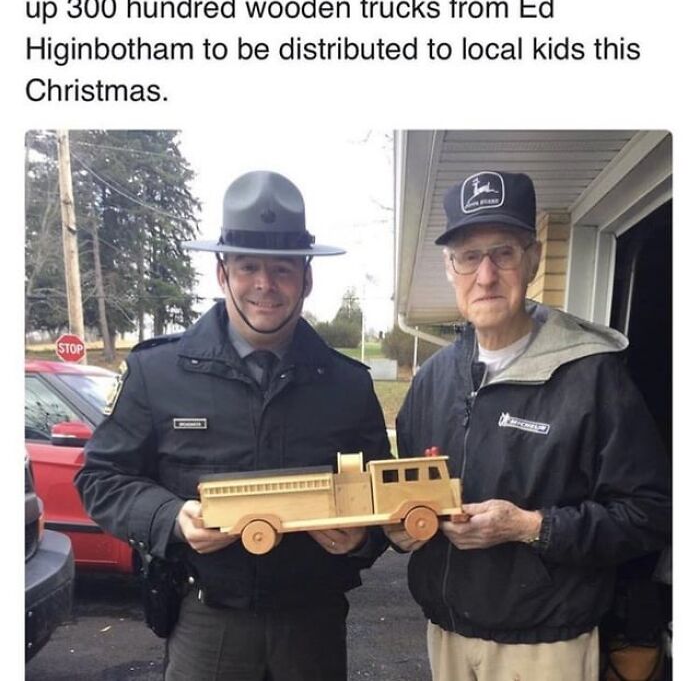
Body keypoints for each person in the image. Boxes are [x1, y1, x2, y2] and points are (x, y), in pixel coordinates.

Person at [76, 170, 391, 681]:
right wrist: (173, 518)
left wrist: (361, 539)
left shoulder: (348, 386)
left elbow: (385, 502)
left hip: (312, 626)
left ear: (307, 278)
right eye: (247, 267)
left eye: (283, 270)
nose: (264, 285)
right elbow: (100, 479)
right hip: (206, 622)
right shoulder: (155, 373)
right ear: (222, 273)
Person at [387, 170, 671, 681]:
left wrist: (530, 528)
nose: (487, 275)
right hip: (448, 635)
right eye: (469, 257)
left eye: (504, 252)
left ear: (534, 258)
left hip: (546, 646)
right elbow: (406, 491)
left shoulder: (593, 376)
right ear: (450, 268)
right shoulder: (432, 381)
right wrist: (400, 527)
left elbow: (650, 514)